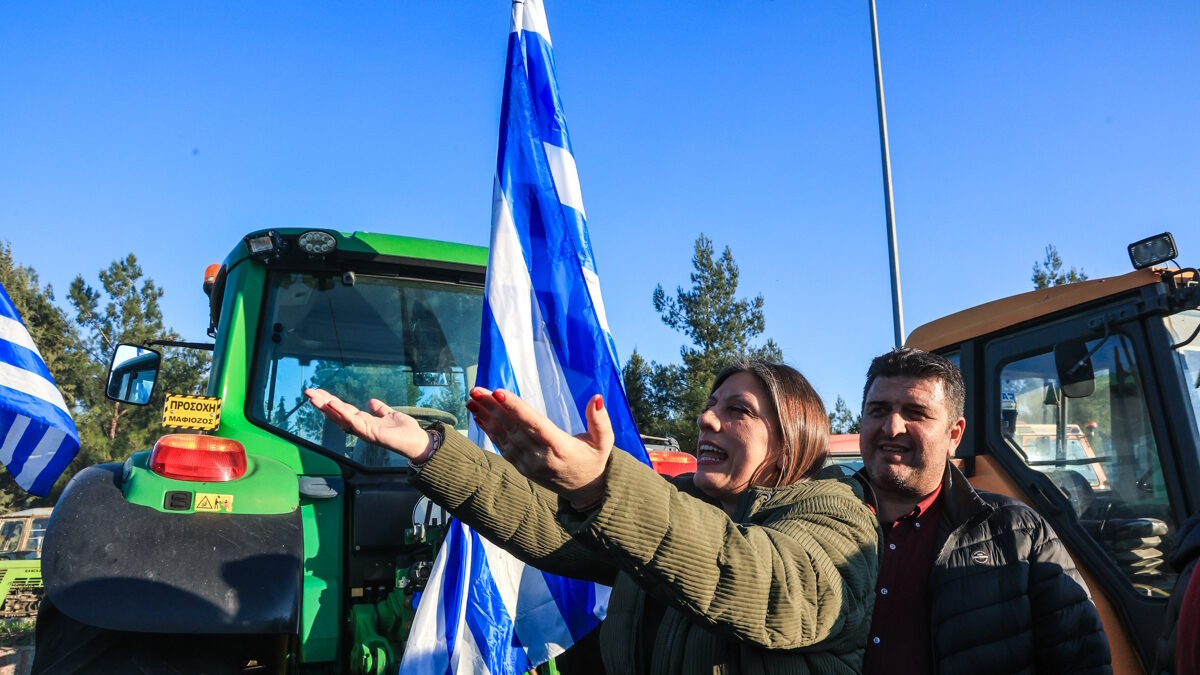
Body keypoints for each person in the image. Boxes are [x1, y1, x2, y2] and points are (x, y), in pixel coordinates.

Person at [307, 361, 879, 673]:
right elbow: (545, 521)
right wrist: (433, 450)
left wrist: (605, 484)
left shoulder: (833, 515)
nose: (707, 420)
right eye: (709, 406)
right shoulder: (683, 505)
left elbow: (765, 584)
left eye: (738, 412)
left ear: (791, 440)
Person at [855, 347, 1111, 674]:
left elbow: (1083, 664)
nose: (891, 427)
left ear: (954, 435)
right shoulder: (813, 527)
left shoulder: (1021, 535)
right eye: (878, 410)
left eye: (914, 412)